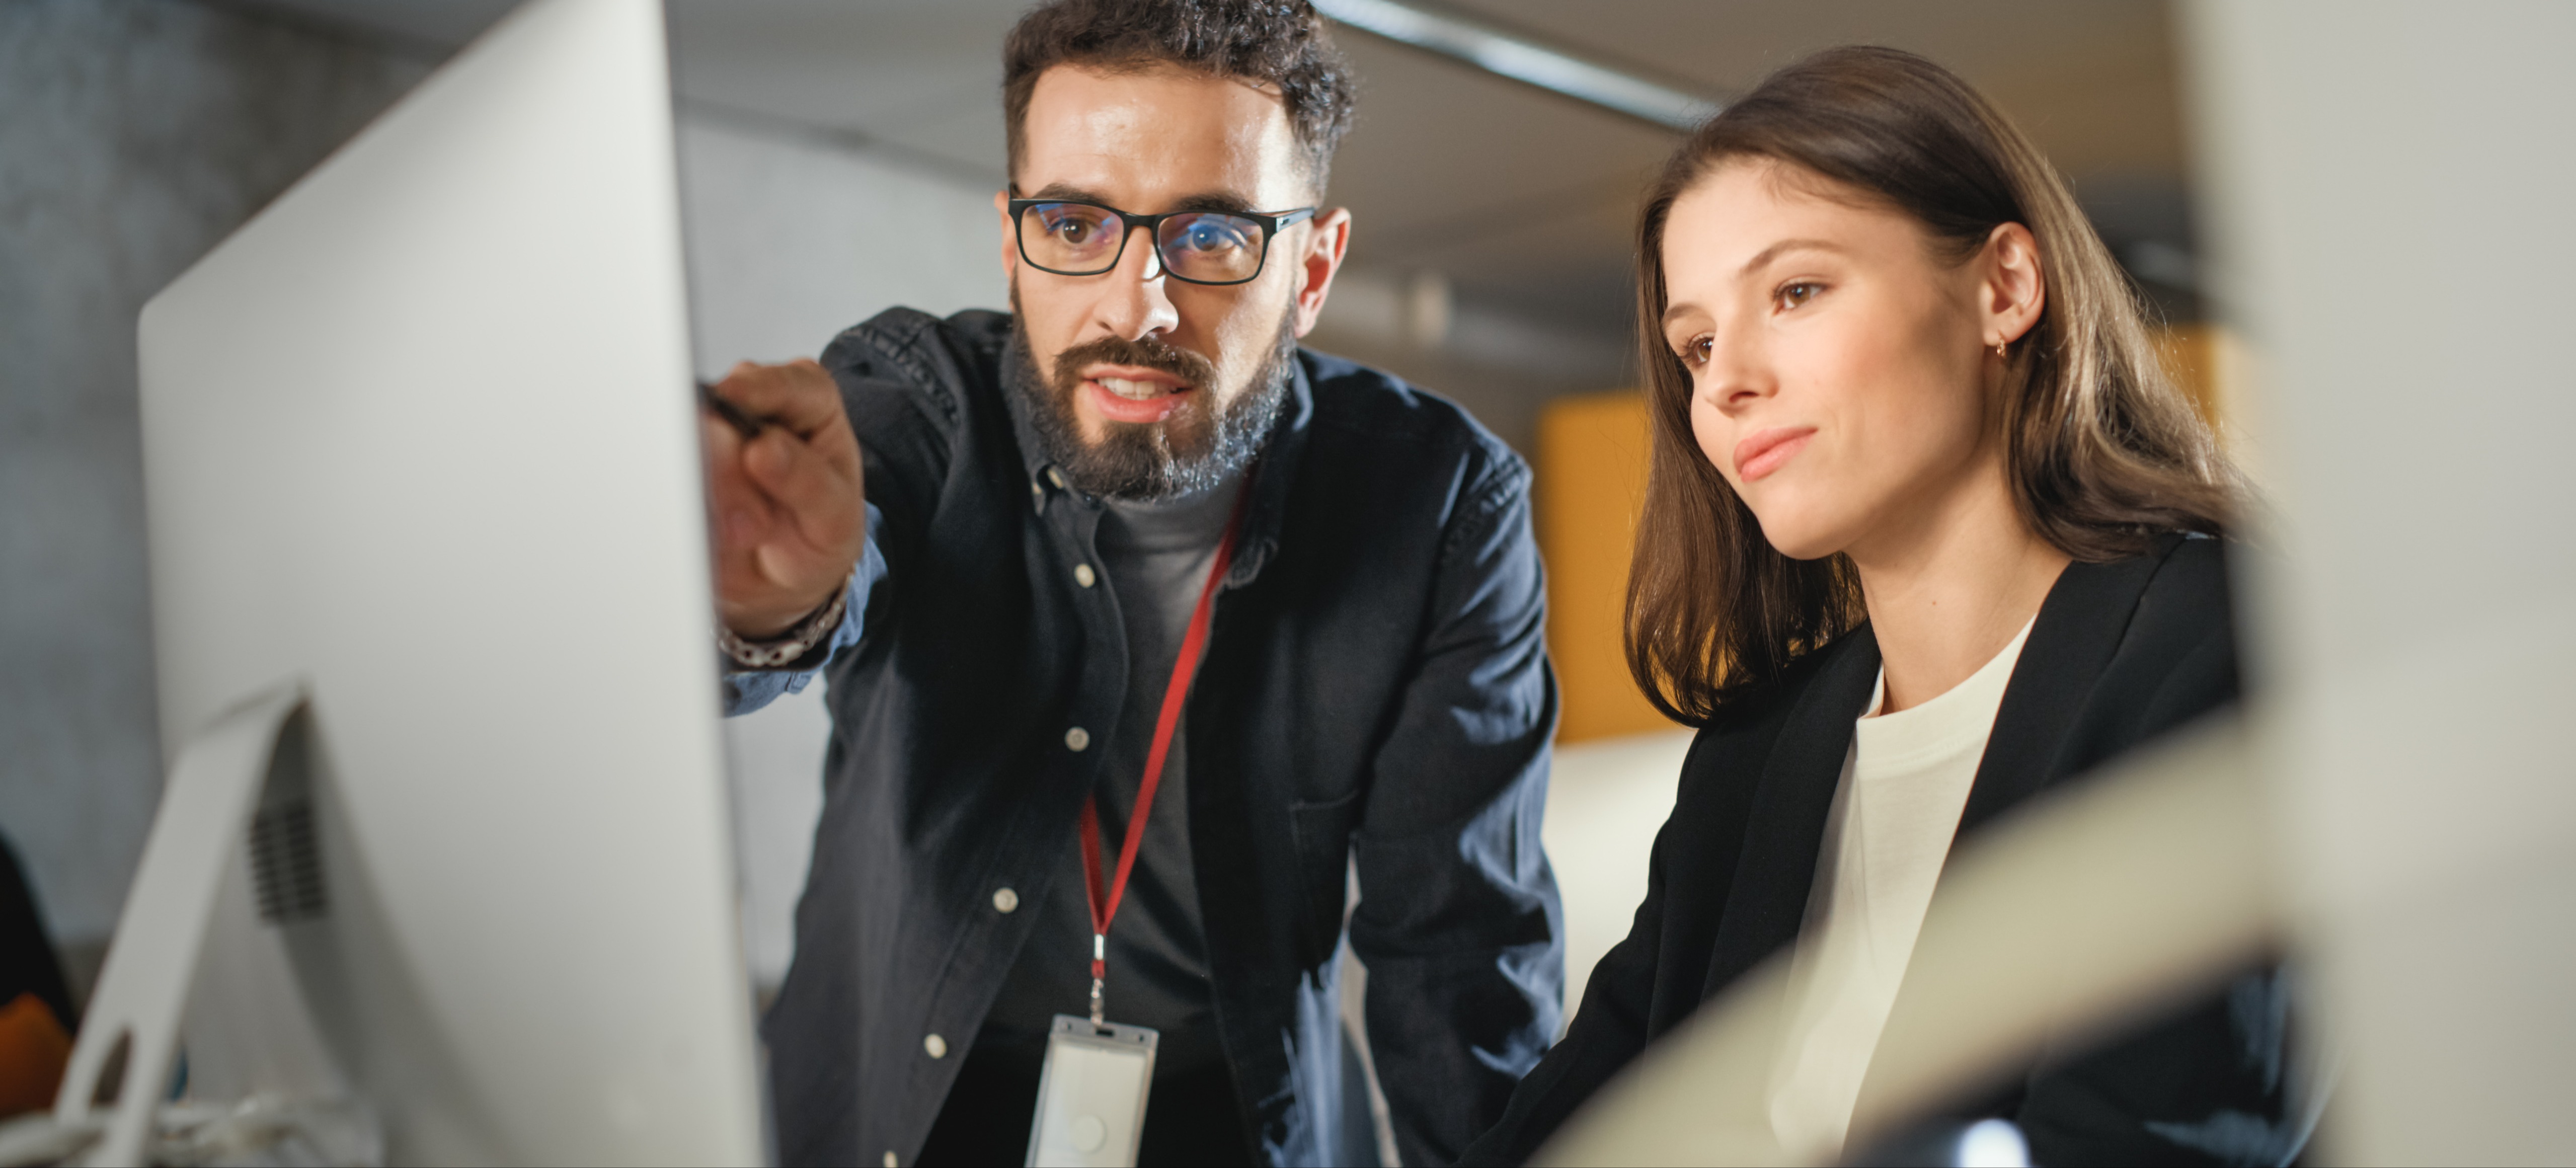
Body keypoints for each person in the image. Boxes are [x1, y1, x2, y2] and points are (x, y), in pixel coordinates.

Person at [698, 2, 1562, 1165]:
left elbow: (1461, 959)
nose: (1137, 307)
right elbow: (820, 584)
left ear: (1311, 269)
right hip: (898, 1101)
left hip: (1237, 1111)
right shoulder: (912, 402)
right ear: (1012, 244)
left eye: (1211, 238)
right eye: (1074, 223)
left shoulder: (1442, 509)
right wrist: (769, 602)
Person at [1460, 47, 2306, 1166]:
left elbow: (2151, 1141)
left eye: (1796, 292)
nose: (1724, 382)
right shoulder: (1753, 758)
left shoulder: (2227, 646)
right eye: (1696, 344)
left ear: (2003, 288)